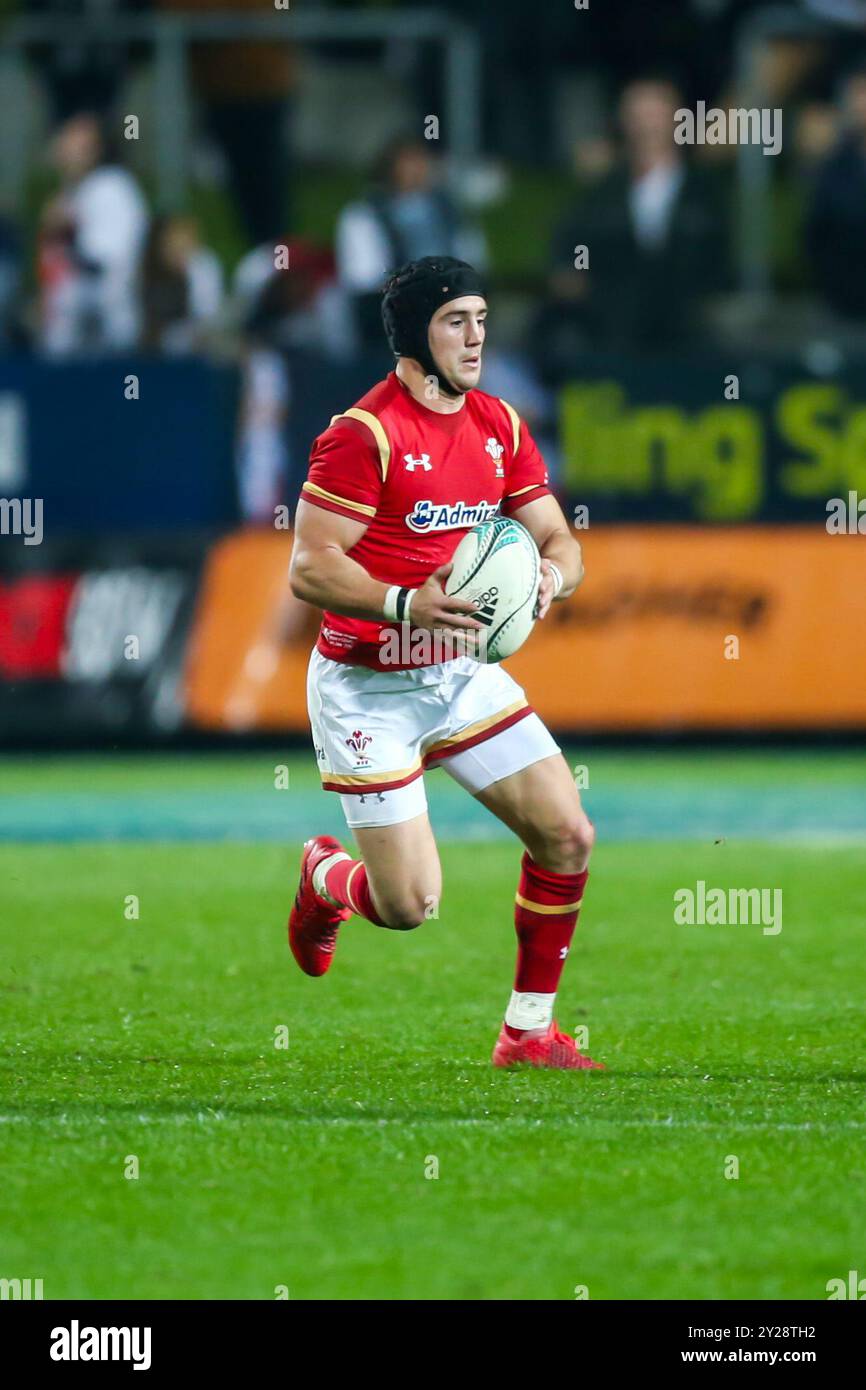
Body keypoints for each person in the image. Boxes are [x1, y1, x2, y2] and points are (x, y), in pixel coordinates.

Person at [287, 256, 603, 1071]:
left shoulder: (499, 423)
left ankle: (527, 1033)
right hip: (369, 687)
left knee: (567, 834)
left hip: (458, 670)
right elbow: (311, 567)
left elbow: (562, 540)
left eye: (482, 320)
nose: (475, 338)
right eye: (455, 321)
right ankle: (327, 880)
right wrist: (404, 603)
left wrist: (549, 579)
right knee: (407, 906)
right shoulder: (365, 434)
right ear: (413, 337)